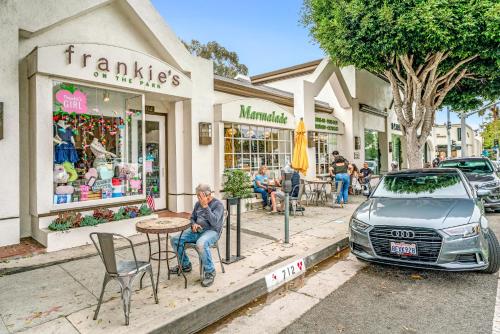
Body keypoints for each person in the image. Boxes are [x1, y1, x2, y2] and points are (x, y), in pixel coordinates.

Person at [170, 184, 224, 287]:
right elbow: (192, 218)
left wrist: (206, 206)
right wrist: (193, 224)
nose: (200, 200)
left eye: (202, 197)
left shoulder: (218, 205)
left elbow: (214, 223)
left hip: (212, 231)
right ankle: (185, 265)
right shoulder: (197, 204)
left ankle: (210, 272)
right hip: (197, 231)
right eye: (198, 197)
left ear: (209, 195)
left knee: (201, 243)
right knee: (175, 240)